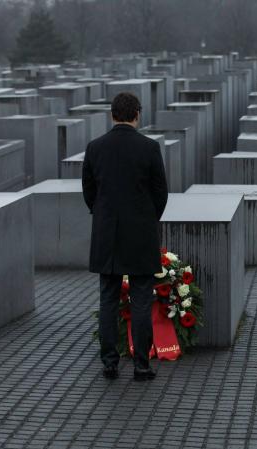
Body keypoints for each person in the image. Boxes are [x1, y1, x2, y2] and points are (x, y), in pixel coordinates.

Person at [82, 92, 168, 381]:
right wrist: (147, 220)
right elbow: (160, 193)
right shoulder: (149, 148)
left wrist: (105, 217)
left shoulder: (95, 148)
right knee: (141, 300)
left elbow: (89, 192)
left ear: (112, 115)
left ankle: (109, 363)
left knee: (108, 299)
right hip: (141, 236)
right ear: (137, 115)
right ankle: (141, 364)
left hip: (107, 235)